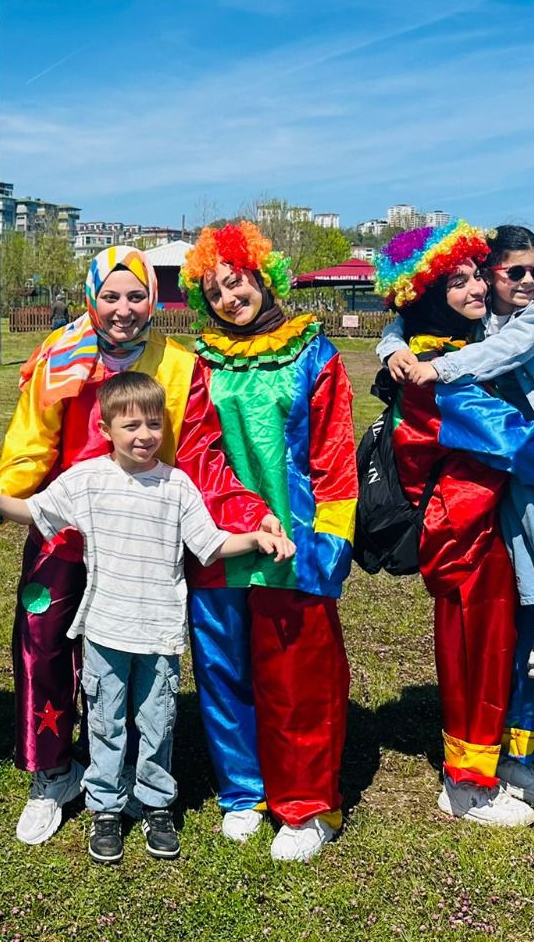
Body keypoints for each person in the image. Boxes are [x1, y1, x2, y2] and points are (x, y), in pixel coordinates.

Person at [0, 246, 275, 848]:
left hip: (143, 534)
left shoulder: (181, 365)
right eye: (110, 296)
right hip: (65, 526)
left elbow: (202, 456)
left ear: (153, 299)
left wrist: (250, 516)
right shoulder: (58, 356)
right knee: (41, 644)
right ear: (92, 298)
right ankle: (53, 772)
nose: (123, 308)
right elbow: (31, 448)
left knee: (138, 659)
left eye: (136, 296)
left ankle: (136, 774)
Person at [372, 221, 534, 827]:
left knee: (532, 639)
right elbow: (499, 431)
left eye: (476, 276)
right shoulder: (426, 365)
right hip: (462, 532)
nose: (476, 289)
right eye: (457, 281)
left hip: (503, 521)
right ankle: (467, 783)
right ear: (426, 294)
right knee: (480, 651)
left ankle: (519, 757)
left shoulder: (475, 341)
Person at [176, 221, 359, 860]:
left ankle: (306, 804)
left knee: (297, 674)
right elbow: (197, 449)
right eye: (215, 292)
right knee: (223, 666)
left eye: (238, 283)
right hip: (220, 536)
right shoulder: (200, 362)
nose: (230, 298)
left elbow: (335, 453)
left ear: (263, 277)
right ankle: (242, 790)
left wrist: (329, 542)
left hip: (296, 541)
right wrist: (239, 515)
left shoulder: (314, 353)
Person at [377, 225, 534, 685]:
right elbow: (404, 320)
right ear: (491, 273)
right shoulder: (484, 311)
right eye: (515, 272)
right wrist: (393, 349)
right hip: (529, 434)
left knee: (527, 492)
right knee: (512, 510)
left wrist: (438, 368)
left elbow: (502, 352)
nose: (529, 281)